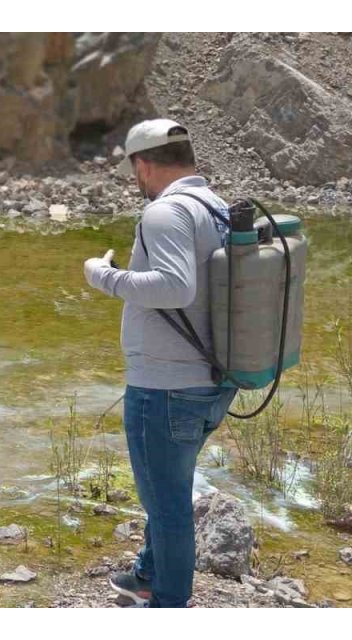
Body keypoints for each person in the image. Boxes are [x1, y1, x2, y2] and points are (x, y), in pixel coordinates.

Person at [81, 119, 239, 608]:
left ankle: (168, 604)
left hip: (166, 388)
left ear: (143, 165)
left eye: (134, 170)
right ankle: (147, 573)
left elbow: (175, 287)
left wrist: (105, 276)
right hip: (212, 381)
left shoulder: (165, 213)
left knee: (167, 504)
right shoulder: (218, 208)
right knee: (165, 485)